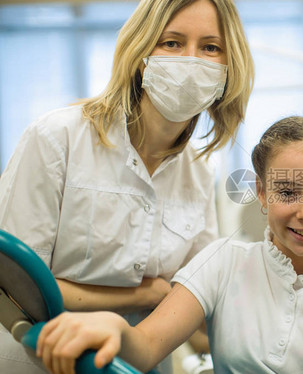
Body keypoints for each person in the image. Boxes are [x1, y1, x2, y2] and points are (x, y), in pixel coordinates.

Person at [36, 114, 303, 374]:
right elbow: (145, 349)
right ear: (261, 193)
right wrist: (114, 328)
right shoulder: (222, 261)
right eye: (287, 192)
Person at [0, 0, 253, 373]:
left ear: (229, 69)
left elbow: (191, 302)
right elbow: (20, 286)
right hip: (42, 362)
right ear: (140, 52)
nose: (190, 60)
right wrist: (144, 294)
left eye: (210, 47)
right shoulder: (58, 138)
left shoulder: (200, 171)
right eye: (171, 42)